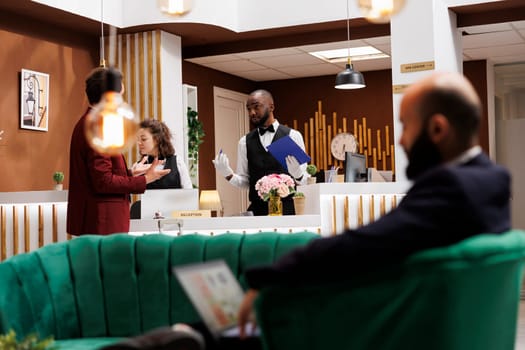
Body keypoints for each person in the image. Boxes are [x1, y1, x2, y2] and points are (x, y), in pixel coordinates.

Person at [236, 71, 512, 337]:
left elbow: (366, 242)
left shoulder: (450, 190)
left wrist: (272, 276)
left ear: (438, 128)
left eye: (405, 125)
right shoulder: (493, 182)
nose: (401, 141)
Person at [67, 67, 170, 236]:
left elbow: (100, 174)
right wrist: (145, 179)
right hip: (104, 220)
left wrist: (130, 173)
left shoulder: (88, 122)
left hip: (99, 218)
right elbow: (103, 182)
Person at [212, 89, 308, 216]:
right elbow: (246, 182)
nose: (252, 113)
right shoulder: (244, 142)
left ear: (271, 107)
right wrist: (228, 174)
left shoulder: (292, 136)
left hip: (288, 211)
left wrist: (298, 175)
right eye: (249, 109)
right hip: (257, 211)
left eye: (257, 107)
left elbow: (306, 181)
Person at [136, 119, 193, 189]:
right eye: (138, 139)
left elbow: (188, 191)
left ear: (157, 139)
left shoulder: (177, 162)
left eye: (143, 139)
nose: (139, 143)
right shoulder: (138, 167)